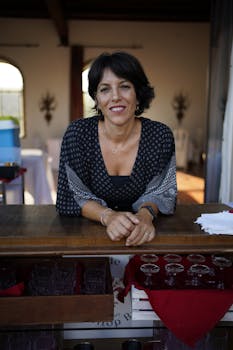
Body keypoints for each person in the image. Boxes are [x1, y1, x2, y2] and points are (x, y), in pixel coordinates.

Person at [56, 51, 177, 246]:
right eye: (105, 89)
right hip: (85, 240)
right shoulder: (78, 134)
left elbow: (162, 191)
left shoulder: (159, 135)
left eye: (125, 87)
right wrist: (107, 216)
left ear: (138, 95)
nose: (115, 97)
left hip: (142, 238)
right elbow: (71, 194)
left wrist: (146, 217)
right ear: (96, 99)